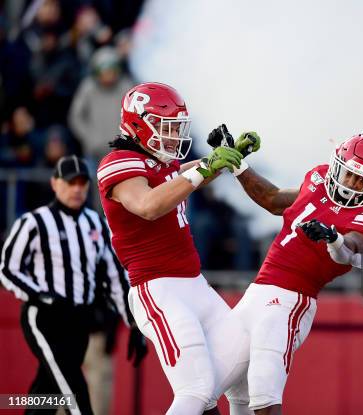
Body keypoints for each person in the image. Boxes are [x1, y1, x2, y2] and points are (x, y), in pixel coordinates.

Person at [210, 126, 363, 415]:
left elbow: (353, 249)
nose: (351, 183)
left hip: (290, 301)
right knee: (203, 389)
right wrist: (239, 165)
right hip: (255, 293)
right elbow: (272, 199)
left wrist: (334, 239)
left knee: (263, 392)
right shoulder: (317, 179)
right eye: (349, 174)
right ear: (337, 165)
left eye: (361, 180)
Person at [97, 82, 250, 415]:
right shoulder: (118, 161)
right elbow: (149, 205)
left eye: (176, 128)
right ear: (138, 124)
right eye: (166, 128)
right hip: (158, 289)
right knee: (194, 390)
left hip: (194, 284)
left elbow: (177, 176)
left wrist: (219, 160)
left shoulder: (158, 162)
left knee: (244, 369)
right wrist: (207, 167)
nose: (172, 136)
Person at [0, 155, 147, 415]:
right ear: (55, 184)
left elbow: (114, 278)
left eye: (82, 183)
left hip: (79, 321)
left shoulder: (97, 224)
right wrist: (40, 296)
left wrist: (134, 323)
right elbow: (7, 270)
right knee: (73, 388)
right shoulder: (33, 222)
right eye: (70, 182)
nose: (77, 188)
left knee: (47, 393)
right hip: (44, 317)